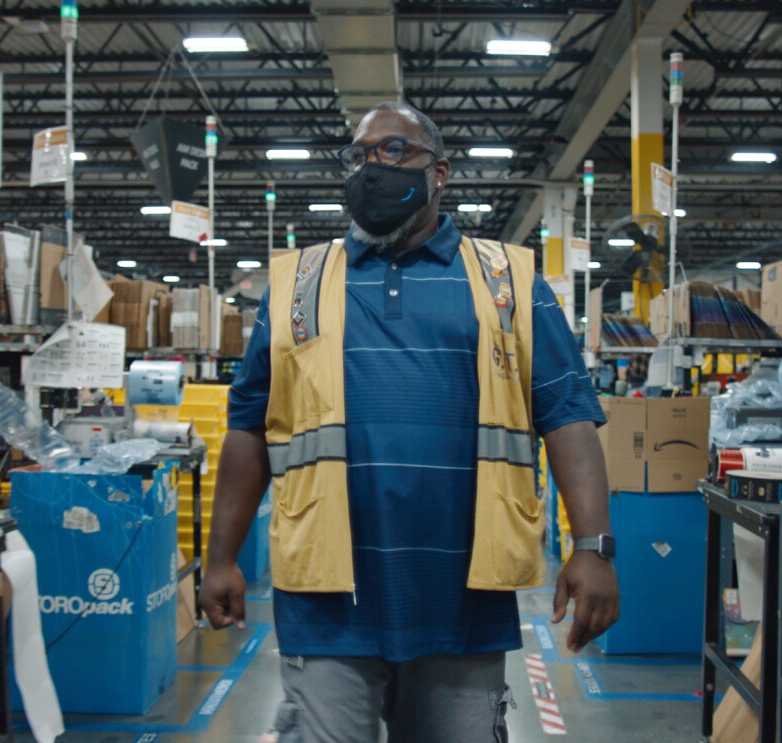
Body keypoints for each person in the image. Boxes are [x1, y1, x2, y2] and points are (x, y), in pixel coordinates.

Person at [198, 101, 619, 742]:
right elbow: (249, 427)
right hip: (326, 597)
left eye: (393, 152)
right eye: (359, 155)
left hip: (462, 595)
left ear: (440, 172)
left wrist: (591, 549)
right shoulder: (297, 283)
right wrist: (221, 557)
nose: (372, 167)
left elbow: (567, 416)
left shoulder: (508, 279)